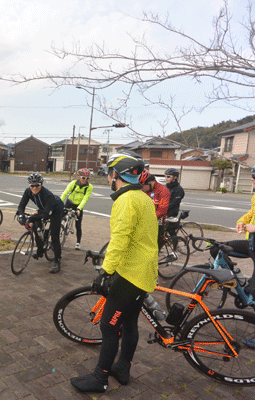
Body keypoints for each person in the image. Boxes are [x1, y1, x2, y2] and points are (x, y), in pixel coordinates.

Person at [70, 151, 158, 393]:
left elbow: (119, 240)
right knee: (129, 323)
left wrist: (105, 271)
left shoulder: (125, 200)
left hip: (130, 274)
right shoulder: (142, 197)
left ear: (115, 175)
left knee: (109, 327)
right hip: (144, 270)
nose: (109, 177)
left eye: (109, 173)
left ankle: (100, 378)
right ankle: (122, 368)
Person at [211, 163, 255, 301]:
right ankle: (236, 277)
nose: (252, 179)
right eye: (252, 175)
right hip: (252, 243)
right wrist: (241, 221)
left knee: (254, 292)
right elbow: (252, 213)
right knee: (216, 249)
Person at [16, 172, 64, 273]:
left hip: (55, 209)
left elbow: (46, 215)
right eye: (32, 185)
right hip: (44, 208)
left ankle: (57, 261)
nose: (34, 188)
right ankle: (40, 250)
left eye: (37, 185)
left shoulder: (48, 195)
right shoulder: (28, 191)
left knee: (54, 236)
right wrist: (21, 215)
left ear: (41, 184)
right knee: (35, 226)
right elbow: (21, 206)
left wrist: (32, 217)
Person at [61, 168, 94, 250]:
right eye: (83, 178)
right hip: (70, 203)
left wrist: (79, 209)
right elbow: (65, 193)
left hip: (78, 206)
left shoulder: (89, 187)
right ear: (79, 176)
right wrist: (59, 203)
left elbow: (85, 199)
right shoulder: (73, 183)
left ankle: (78, 242)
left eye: (87, 178)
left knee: (78, 225)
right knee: (59, 217)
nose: (85, 180)